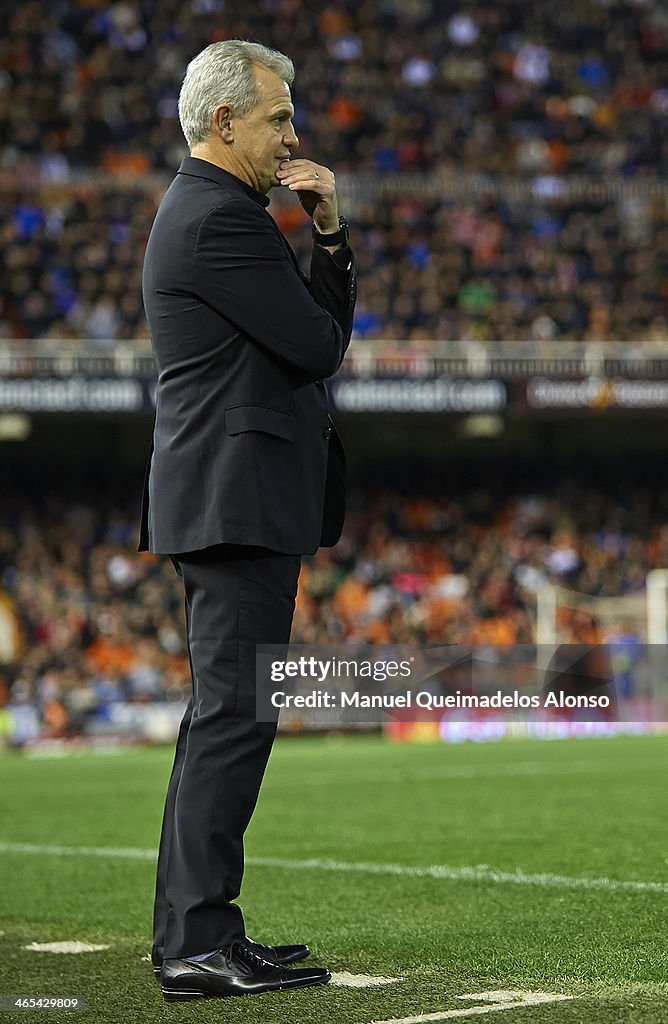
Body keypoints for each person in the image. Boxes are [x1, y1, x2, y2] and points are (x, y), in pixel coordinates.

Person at [138, 40, 357, 1002]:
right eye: (278, 117)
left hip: (235, 499)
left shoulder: (215, 212)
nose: (293, 133)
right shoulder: (219, 220)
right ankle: (194, 944)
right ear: (225, 121)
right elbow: (317, 344)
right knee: (232, 720)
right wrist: (333, 238)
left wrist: (326, 237)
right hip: (235, 502)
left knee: (223, 721)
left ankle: (199, 931)